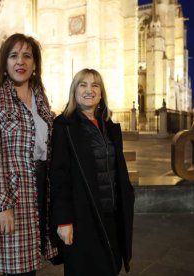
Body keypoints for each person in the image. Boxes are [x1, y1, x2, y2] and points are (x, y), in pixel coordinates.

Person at [0, 33, 58, 275]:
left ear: (34, 64)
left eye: (27, 56)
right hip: (15, 194)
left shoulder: (41, 98)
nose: (20, 62)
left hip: (44, 190)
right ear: (5, 62)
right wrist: (0, 205)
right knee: (17, 269)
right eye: (14, 56)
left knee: (33, 264)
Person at [50, 68, 135, 275]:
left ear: (101, 93)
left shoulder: (110, 127)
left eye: (95, 85)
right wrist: (63, 221)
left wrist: (128, 195)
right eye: (83, 85)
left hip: (111, 215)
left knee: (111, 267)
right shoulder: (64, 126)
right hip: (82, 218)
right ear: (74, 91)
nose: (90, 90)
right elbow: (59, 178)